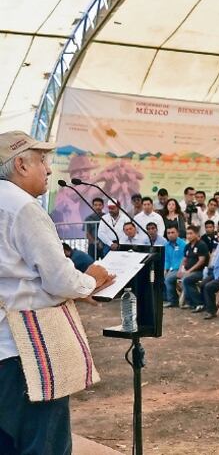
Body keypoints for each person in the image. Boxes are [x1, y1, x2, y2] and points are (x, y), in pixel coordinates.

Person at [0, 130, 114, 455]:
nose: (49, 169)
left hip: (4, 351)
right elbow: (59, 280)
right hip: (27, 349)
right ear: (21, 164)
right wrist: (90, 279)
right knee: (43, 445)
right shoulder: (23, 207)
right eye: (43, 160)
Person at [179, 225, 210, 309]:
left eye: (191, 233)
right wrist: (180, 270)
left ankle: (199, 303)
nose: (188, 236)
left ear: (196, 234)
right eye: (187, 234)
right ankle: (190, 303)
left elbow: (201, 261)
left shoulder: (201, 245)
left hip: (200, 271)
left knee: (187, 279)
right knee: (183, 278)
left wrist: (189, 271)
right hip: (189, 271)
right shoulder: (187, 246)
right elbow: (184, 259)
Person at [162, 225, 187, 307]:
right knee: (162, 276)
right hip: (172, 269)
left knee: (168, 278)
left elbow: (185, 258)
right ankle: (170, 299)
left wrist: (181, 269)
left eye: (172, 232)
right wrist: (165, 270)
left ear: (177, 233)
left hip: (183, 268)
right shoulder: (166, 245)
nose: (170, 235)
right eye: (168, 233)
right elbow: (167, 260)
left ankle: (173, 301)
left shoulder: (183, 244)